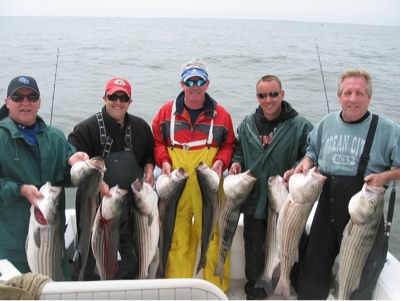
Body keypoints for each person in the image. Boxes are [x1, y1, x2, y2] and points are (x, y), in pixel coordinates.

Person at [284, 69, 400, 299]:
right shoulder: (327, 122)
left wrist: (384, 177)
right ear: (339, 97)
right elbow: (312, 150)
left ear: (369, 96)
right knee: (311, 273)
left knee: (359, 281)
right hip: (327, 209)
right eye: (347, 93)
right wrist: (306, 161)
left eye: (359, 93)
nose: (353, 99)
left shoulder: (388, 130)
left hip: (363, 217)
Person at [152, 58, 236, 292]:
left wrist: (221, 161)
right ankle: (177, 291)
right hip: (176, 186)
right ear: (182, 83)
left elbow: (230, 145)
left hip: (207, 187)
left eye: (199, 80)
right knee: (176, 239)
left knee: (213, 238)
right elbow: (158, 142)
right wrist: (165, 162)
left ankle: (216, 290)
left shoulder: (222, 115)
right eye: (190, 80)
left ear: (207, 83)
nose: (194, 85)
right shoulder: (166, 112)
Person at [228, 74, 313, 299]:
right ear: (257, 97)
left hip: (286, 201)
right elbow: (239, 150)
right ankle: (257, 287)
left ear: (282, 94)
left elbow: (310, 156)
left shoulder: (300, 125)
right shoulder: (246, 124)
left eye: (273, 94)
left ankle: (296, 285)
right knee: (254, 248)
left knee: (294, 244)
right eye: (263, 95)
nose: (268, 100)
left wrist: (295, 169)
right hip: (255, 201)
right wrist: (236, 162)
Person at [0, 76, 88, 279]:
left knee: (54, 291)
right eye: (18, 97)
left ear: (39, 102)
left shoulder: (55, 138)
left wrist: (75, 164)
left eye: (32, 97)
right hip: (10, 246)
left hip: (53, 243)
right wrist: (20, 190)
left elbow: (67, 176)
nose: (25, 102)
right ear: (7, 102)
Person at [68, 77, 155, 280]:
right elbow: (73, 164)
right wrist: (96, 180)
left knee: (130, 255)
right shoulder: (85, 129)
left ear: (130, 101)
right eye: (112, 96)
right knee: (90, 254)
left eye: (123, 97)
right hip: (94, 205)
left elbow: (148, 156)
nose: (118, 101)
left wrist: (149, 170)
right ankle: (88, 285)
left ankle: (130, 288)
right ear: (104, 97)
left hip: (130, 204)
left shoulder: (141, 128)